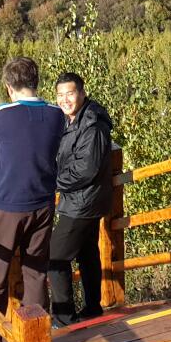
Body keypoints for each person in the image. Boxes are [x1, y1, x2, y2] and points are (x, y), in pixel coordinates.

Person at [0, 56, 66, 318]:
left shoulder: (3, 117)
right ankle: (36, 334)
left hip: (8, 205)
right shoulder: (55, 115)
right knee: (36, 272)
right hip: (44, 203)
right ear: (36, 83)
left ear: (8, 86)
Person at [49, 72, 114, 326]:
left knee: (55, 257)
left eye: (70, 93)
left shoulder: (92, 125)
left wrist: (52, 180)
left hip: (83, 202)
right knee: (87, 252)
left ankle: (64, 318)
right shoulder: (73, 120)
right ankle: (92, 308)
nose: (65, 99)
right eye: (61, 95)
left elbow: (85, 169)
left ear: (82, 93)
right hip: (83, 200)